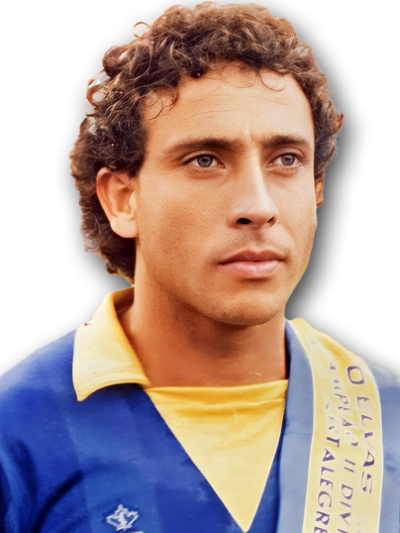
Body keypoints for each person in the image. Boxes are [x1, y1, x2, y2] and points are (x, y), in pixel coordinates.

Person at [0, 2, 399, 532]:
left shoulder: (389, 418)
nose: (259, 206)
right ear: (122, 199)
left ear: (318, 186)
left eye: (286, 159)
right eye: (205, 160)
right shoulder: (15, 430)